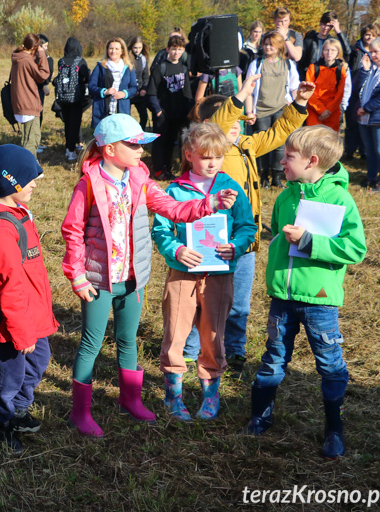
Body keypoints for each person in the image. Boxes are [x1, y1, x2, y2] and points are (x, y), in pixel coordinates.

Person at [60, 115, 234, 436]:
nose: (142, 150)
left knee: (128, 340)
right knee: (92, 343)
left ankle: (130, 400)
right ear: (110, 149)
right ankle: (79, 412)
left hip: (133, 278)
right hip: (99, 280)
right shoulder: (89, 184)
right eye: (134, 144)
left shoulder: (139, 178)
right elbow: (72, 231)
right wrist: (78, 276)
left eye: (142, 144)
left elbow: (171, 208)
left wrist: (208, 203)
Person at [244, 125, 367, 460]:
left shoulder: (340, 198)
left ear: (312, 161)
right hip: (281, 298)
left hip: (320, 301)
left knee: (329, 365)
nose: (282, 161)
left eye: (289, 157)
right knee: (272, 358)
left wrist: (310, 242)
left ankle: (335, 428)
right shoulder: (287, 195)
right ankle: (260, 416)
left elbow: (355, 249)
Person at [187, 76, 313, 375]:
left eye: (240, 122)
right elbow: (219, 126)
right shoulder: (213, 152)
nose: (236, 127)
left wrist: (300, 103)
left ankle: (235, 349)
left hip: (245, 242)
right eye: (231, 120)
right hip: (213, 242)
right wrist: (242, 93)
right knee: (201, 299)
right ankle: (190, 349)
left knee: (239, 303)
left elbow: (281, 130)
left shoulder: (247, 145)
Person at [152, 124, 256, 421]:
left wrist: (235, 246)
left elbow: (247, 226)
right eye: (206, 157)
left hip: (219, 274)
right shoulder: (173, 189)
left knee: (213, 335)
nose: (212, 163)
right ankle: (173, 395)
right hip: (183, 273)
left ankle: (211, 394)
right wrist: (176, 250)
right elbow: (161, 230)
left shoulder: (232, 188)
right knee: (175, 332)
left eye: (218, 157)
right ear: (189, 155)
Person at [0, 145, 59, 453]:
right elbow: (9, 285)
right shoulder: (2, 229)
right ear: (11, 182)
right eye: (30, 179)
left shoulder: (17, 213)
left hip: (32, 311)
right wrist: (21, 330)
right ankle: (1, 424)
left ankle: (19, 410)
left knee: (40, 359)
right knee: (13, 372)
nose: (35, 184)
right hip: (15, 319)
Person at [245, 32, 300, 188]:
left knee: (280, 145)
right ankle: (263, 176)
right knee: (262, 144)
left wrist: (295, 106)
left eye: (271, 44)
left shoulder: (288, 64)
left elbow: (295, 87)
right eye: (266, 44)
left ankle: (276, 176)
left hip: (281, 109)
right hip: (261, 110)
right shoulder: (256, 64)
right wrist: (249, 112)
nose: (268, 47)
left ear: (279, 46)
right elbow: (249, 90)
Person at [148, 35, 194, 180]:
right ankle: (158, 171)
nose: (176, 53)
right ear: (168, 49)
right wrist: (158, 110)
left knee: (171, 143)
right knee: (160, 142)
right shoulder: (160, 68)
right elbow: (151, 92)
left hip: (178, 113)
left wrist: (189, 110)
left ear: (183, 51)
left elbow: (187, 91)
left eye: (179, 50)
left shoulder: (184, 68)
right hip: (162, 112)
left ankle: (167, 169)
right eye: (173, 49)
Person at [355, 36, 380, 193]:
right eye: (370, 52)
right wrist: (364, 70)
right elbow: (360, 88)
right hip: (365, 117)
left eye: (376, 52)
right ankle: (371, 178)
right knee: (369, 150)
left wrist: (366, 108)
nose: (373, 55)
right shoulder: (373, 67)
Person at [343, 24, 380, 161]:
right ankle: (349, 150)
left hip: (370, 92)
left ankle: (364, 151)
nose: (369, 37)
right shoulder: (355, 49)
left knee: (366, 123)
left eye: (372, 34)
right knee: (352, 122)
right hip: (355, 90)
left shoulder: (379, 52)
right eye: (367, 34)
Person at [10, 33, 51, 156]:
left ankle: (31, 164)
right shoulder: (26, 60)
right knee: (30, 140)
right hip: (28, 104)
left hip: (20, 103)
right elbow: (43, 75)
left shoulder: (18, 57)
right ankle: (29, 169)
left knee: (31, 137)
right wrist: (42, 54)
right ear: (34, 47)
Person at [54, 36, 91, 161]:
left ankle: (67, 148)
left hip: (63, 96)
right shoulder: (80, 61)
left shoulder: (61, 61)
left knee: (67, 123)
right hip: (76, 97)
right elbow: (86, 76)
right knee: (75, 123)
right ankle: (71, 151)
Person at [89, 37, 138, 130]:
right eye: (111, 48)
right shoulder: (100, 67)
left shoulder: (129, 68)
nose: (113, 51)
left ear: (122, 51)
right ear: (107, 50)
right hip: (103, 111)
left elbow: (134, 88)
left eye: (116, 49)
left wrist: (124, 93)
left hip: (122, 111)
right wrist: (104, 91)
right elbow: (91, 86)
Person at [305, 38, 349, 131]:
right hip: (314, 110)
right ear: (322, 52)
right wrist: (321, 110)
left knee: (330, 141)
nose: (329, 53)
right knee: (313, 140)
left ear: (338, 52)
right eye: (326, 50)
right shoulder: (313, 68)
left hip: (332, 111)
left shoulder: (341, 70)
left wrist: (328, 111)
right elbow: (309, 91)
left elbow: (340, 93)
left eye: (333, 50)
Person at [298, 11, 351, 79]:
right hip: (309, 76)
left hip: (326, 77)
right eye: (324, 24)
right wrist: (302, 78)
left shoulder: (332, 42)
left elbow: (347, 51)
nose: (325, 28)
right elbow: (301, 63)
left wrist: (338, 31)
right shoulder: (309, 41)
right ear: (320, 24)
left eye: (329, 26)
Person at [128, 36, 150, 128]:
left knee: (144, 116)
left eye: (139, 48)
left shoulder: (143, 59)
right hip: (128, 92)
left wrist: (144, 89)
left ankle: (141, 134)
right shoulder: (127, 59)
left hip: (140, 92)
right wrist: (132, 90)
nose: (137, 50)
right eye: (135, 48)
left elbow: (146, 76)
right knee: (126, 117)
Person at [37, 33, 55, 127]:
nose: (46, 48)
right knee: (37, 112)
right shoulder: (47, 59)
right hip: (38, 88)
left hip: (38, 88)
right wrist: (44, 85)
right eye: (45, 46)